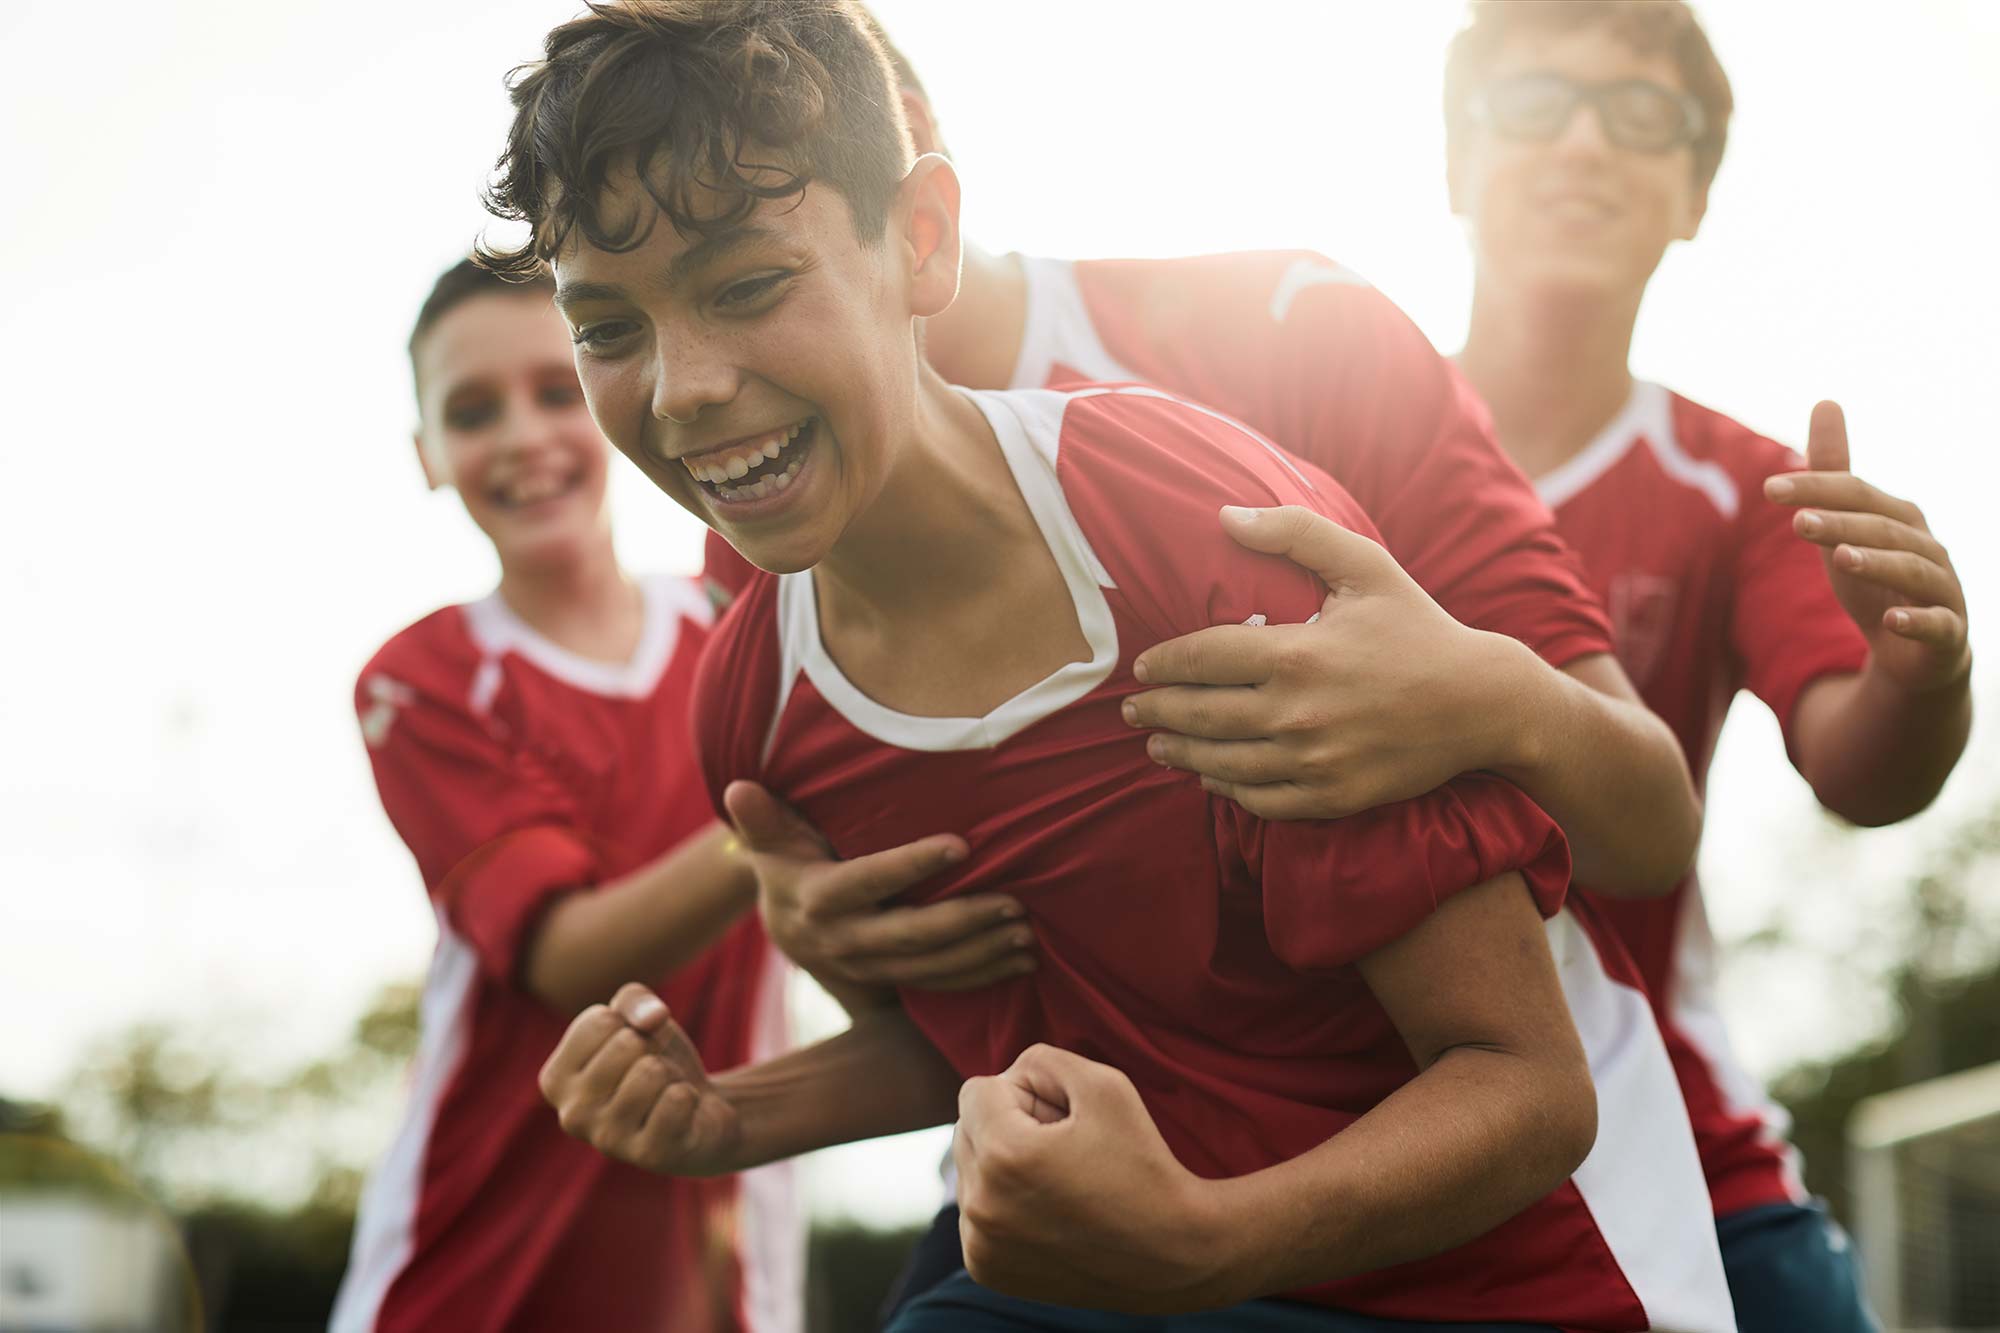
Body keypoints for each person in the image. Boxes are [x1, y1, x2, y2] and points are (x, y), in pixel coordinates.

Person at [501, 4, 1737, 1329]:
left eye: (745, 283)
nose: (684, 387)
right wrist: (729, 1106)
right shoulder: (757, 665)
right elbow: (1011, 1026)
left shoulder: (1230, 456)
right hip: (1125, 1255)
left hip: (1479, 1255)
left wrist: (1479, 692)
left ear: (919, 228)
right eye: (609, 327)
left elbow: (1564, 999)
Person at [1116, 3, 1973, 1328]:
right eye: (1533, 104)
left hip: (1663, 1139)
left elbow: (1859, 771)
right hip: (1326, 1123)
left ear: (1694, 191)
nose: (1582, 143)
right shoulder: (1277, 443)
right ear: (1456, 162)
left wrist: (1924, 673)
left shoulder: (1742, 483)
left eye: (1637, 115)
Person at [329, 259, 800, 1333]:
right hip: (467, 1273)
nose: (523, 436)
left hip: (718, 1272)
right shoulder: (423, 678)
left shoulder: (738, 609)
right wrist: (779, 821)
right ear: (428, 458)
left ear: (612, 394)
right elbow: (571, 959)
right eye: (471, 409)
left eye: (554, 389)